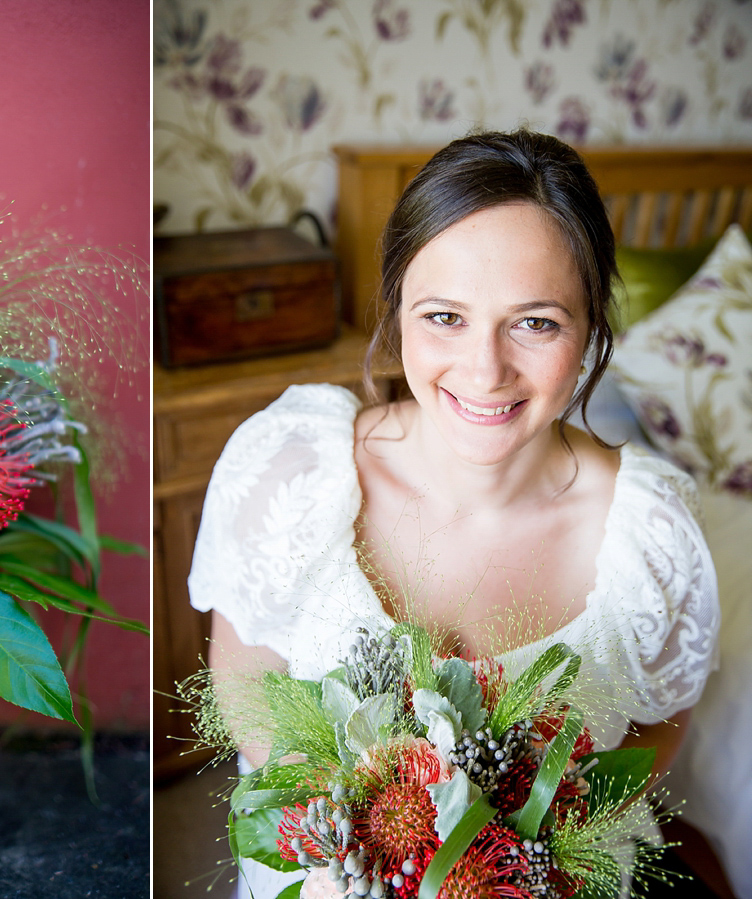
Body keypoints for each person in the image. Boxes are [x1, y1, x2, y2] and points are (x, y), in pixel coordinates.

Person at [187, 128, 720, 899]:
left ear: (591, 327)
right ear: (396, 306)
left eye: (536, 322)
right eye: (445, 316)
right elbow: (243, 684)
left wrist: (542, 857)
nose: (484, 370)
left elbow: (658, 721)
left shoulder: (655, 538)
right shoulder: (287, 470)